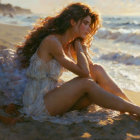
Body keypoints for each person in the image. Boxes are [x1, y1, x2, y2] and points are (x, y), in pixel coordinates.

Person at [15, 2, 140, 122]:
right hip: (37, 104)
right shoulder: (52, 41)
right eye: (85, 23)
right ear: (73, 22)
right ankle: (135, 109)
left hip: (53, 98)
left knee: (97, 69)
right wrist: (79, 47)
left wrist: (80, 46)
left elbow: (91, 69)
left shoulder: (69, 44)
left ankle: (131, 107)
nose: (89, 28)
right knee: (87, 83)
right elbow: (84, 73)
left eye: (90, 24)